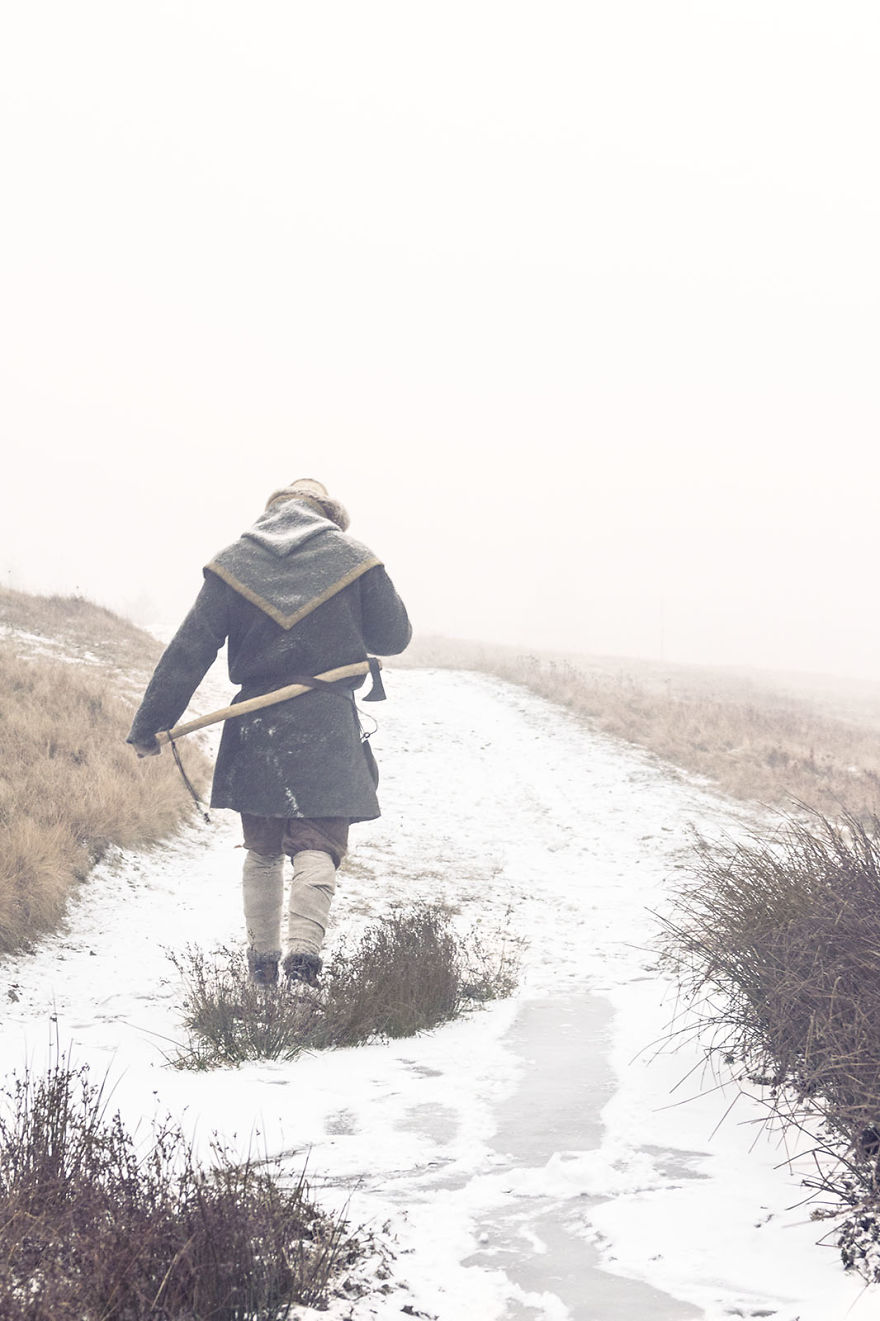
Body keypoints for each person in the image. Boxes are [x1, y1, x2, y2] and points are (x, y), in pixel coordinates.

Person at [127, 478, 412, 987]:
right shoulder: (356, 559)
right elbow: (393, 637)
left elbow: (189, 651)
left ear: (272, 512)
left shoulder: (233, 563)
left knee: (261, 848)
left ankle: (262, 972)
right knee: (318, 843)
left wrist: (152, 725)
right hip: (326, 721)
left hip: (256, 725)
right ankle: (303, 965)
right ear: (330, 515)